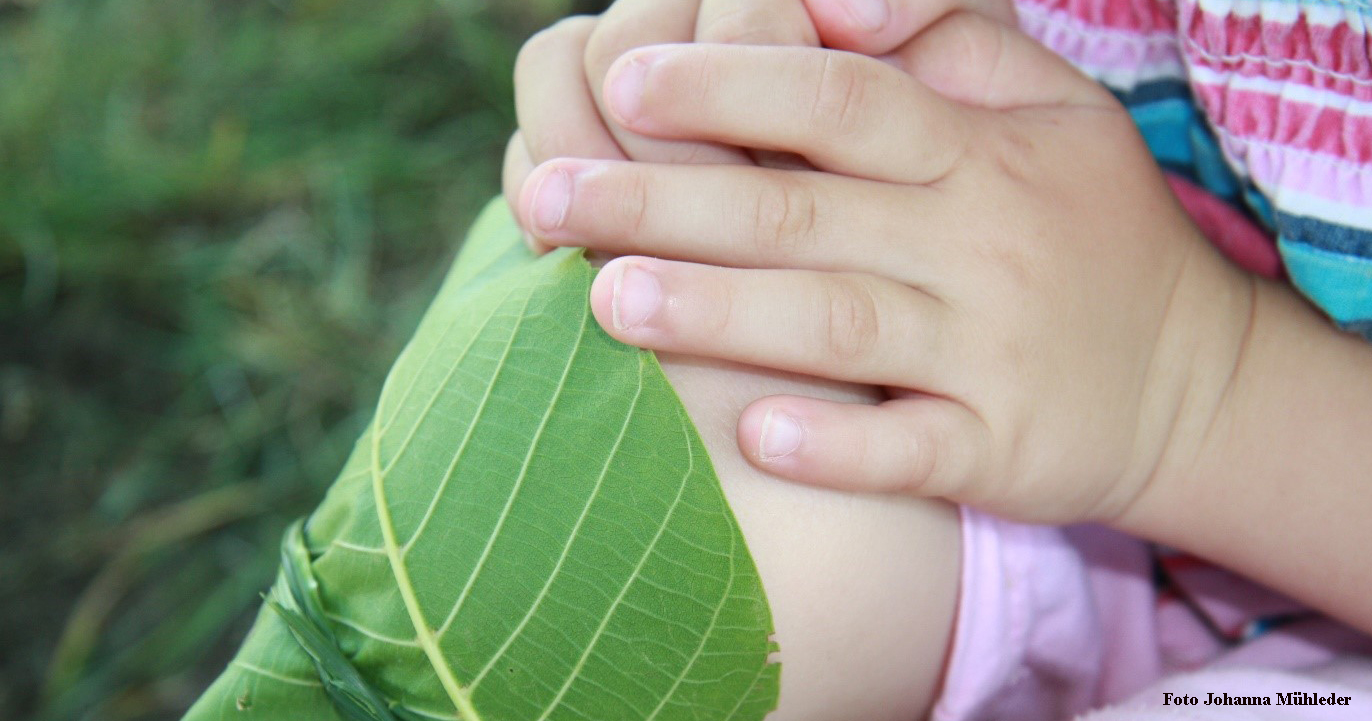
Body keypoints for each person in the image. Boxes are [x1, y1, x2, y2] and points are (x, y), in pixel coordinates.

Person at [495, 0, 1372, 718]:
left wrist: (1190, 383)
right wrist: (738, 69)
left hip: (1284, 508)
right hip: (1029, 366)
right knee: (614, 483)